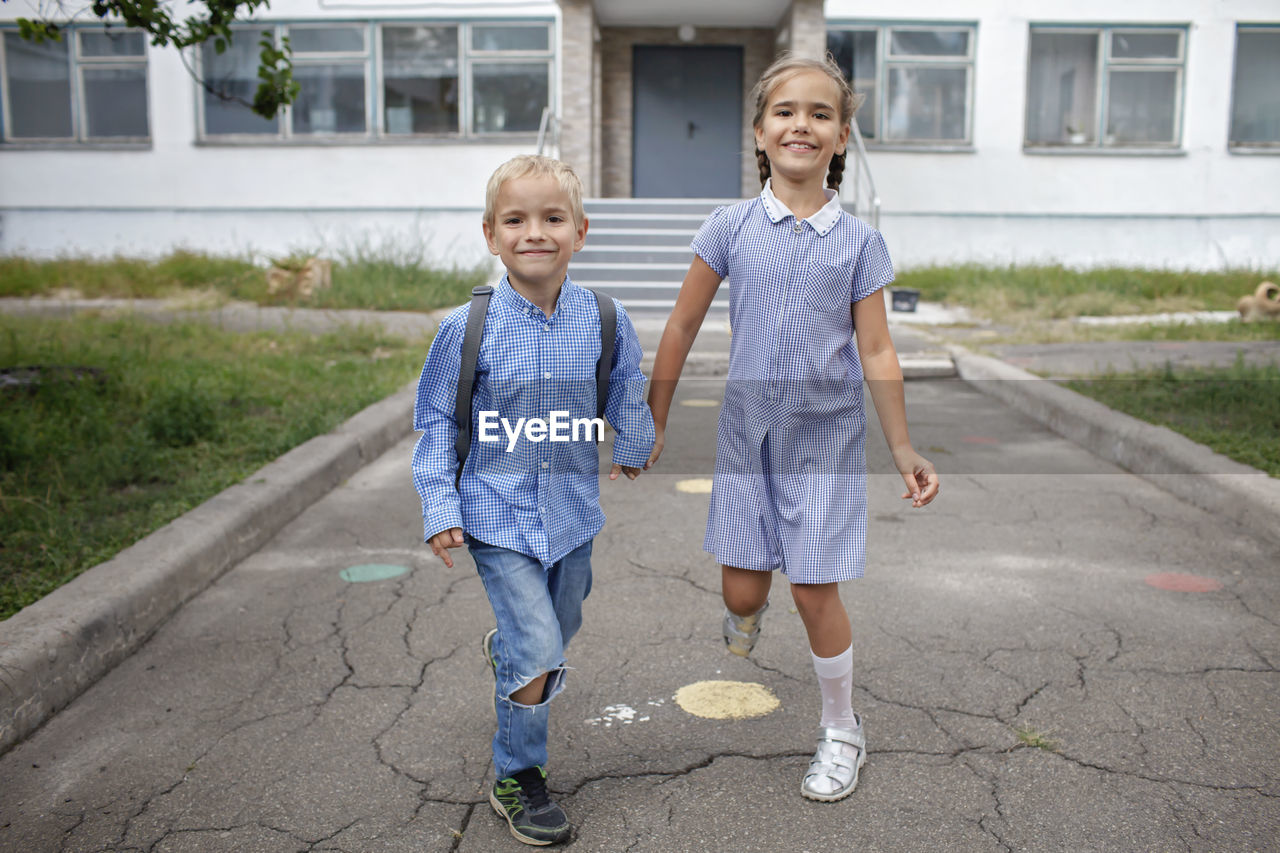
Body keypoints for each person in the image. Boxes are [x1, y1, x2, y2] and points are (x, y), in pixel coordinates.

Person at [645, 54, 939, 802]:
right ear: (759, 130)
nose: (800, 124)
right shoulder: (730, 226)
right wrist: (651, 417)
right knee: (743, 593)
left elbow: (876, 348)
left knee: (814, 588)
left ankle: (842, 727)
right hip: (747, 438)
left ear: (842, 135)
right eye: (785, 111)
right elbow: (680, 326)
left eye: (819, 113)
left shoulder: (859, 243)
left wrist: (902, 446)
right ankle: (749, 606)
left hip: (827, 441)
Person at [411, 155, 655, 845]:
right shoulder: (467, 328)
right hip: (496, 510)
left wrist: (634, 444)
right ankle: (518, 774)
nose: (534, 232)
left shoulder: (607, 318)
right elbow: (435, 420)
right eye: (515, 220)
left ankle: (512, 649)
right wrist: (440, 507)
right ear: (491, 234)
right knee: (542, 649)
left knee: (556, 629)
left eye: (552, 218)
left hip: (573, 515)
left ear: (580, 230)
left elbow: (624, 387)